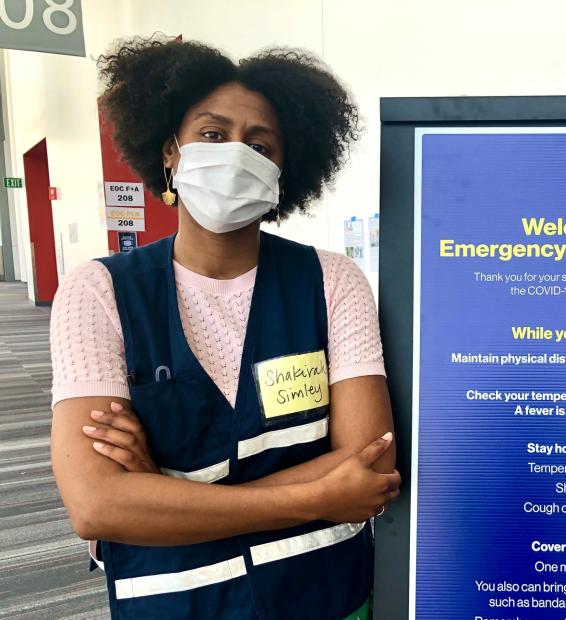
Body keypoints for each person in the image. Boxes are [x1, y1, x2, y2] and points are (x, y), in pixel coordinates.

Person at [48, 36, 400, 620]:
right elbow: (96, 505)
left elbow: (370, 462)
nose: (236, 154)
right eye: (213, 135)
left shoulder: (332, 281)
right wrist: (318, 496)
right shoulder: (99, 291)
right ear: (170, 151)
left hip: (325, 594)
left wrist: (161, 494)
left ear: (282, 171)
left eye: (260, 144)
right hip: (175, 601)